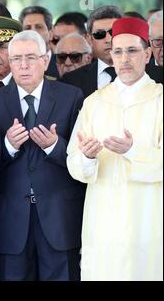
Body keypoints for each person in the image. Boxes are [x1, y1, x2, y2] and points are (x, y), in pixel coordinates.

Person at [0, 30, 85, 281]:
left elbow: (83, 160)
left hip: (59, 218)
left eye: (30, 57)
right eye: (16, 59)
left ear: (46, 60)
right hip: (11, 220)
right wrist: (7, 147)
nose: (23, 65)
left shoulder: (70, 97)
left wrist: (54, 146)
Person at [67, 17, 163, 281]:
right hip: (103, 224)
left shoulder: (159, 99)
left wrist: (132, 151)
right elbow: (74, 164)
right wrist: (87, 156)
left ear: (147, 54)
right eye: (117, 52)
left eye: (132, 50)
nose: (124, 59)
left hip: (149, 223)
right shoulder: (94, 103)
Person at [19, 6, 59, 78]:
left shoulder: (62, 63)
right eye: (27, 28)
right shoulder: (14, 66)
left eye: (39, 27)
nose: (33, 32)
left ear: (51, 33)